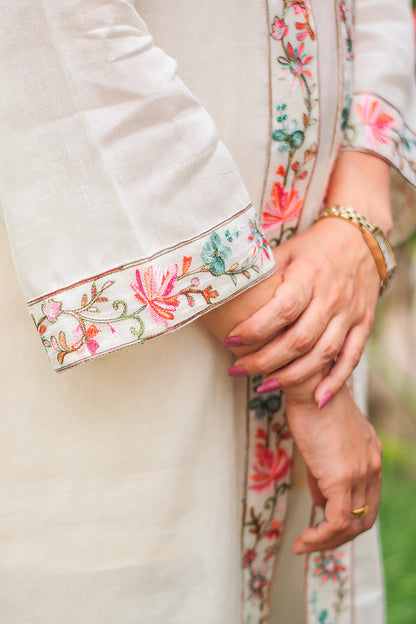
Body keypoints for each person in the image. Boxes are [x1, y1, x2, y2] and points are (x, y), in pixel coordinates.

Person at [0, 1, 415, 623]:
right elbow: (59, 34)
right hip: (135, 332)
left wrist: (361, 213)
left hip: (327, 281)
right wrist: (306, 367)